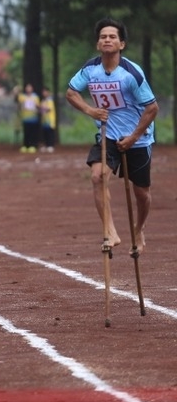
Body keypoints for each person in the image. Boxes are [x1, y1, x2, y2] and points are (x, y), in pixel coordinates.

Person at [66, 17, 158, 254]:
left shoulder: (131, 73)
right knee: (97, 176)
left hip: (138, 137)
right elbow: (71, 93)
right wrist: (91, 111)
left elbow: (152, 108)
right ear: (98, 44)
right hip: (108, 135)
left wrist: (134, 137)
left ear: (121, 44)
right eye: (103, 37)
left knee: (141, 193)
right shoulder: (90, 69)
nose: (107, 40)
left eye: (112, 37)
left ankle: (139, 229)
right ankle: (110, 231)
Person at [18, 83, 40, 153]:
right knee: (26, 132)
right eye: (27, 87)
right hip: (25, 118)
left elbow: (37, 106)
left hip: (33, 118)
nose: (28, 89)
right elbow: (19, 104)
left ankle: (32, 145)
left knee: (32, 132)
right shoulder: (23, 97)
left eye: (29, 87)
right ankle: (25, 145)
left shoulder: (35, 97)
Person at [39, 86, 56, 153]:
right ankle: (46, 145)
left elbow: (49, 109)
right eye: (43, 92)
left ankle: (50, 145)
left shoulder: (50, 100)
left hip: (50, 120)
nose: (44, 93)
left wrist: (41, 107)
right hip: (44, 120)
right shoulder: (43, 101)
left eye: (45, 91)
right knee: (45, 133)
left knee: (50, 133)